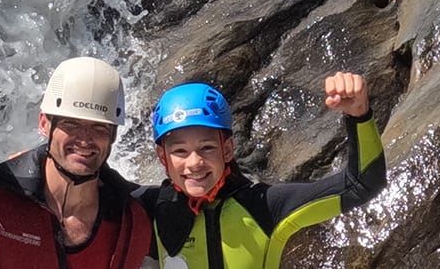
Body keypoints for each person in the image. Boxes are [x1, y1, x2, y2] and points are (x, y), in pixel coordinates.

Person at [137, 72, 387, 269]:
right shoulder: (150, 208)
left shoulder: (264, 205)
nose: (194, 163)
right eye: (180, 151)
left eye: (207, 147)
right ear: (163, 157)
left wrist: (359, 115)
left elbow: (362, 184)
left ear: (227, 150)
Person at [0, 57, 157, 268]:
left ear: (113, 135)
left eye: (99, 128)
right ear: (44, 124)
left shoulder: (134, 217)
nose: (84, 139)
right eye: (71, 124)